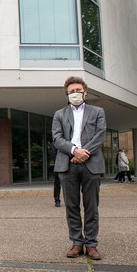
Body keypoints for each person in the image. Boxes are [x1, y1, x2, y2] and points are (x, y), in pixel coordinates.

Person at [52, 76, 106, 261]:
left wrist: (84, 153)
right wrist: (74, 151)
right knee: (72, 207)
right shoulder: (59, 114)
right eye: (71, 91)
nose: (75, 93)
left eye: (78, 90)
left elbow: (100, 135)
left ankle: (91, 244)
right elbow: (57, 138)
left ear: (85, 92)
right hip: (67, 165)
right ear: (67, 94)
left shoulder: (97, 111)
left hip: (91, 164)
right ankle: (76, 242)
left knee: (91, 206)